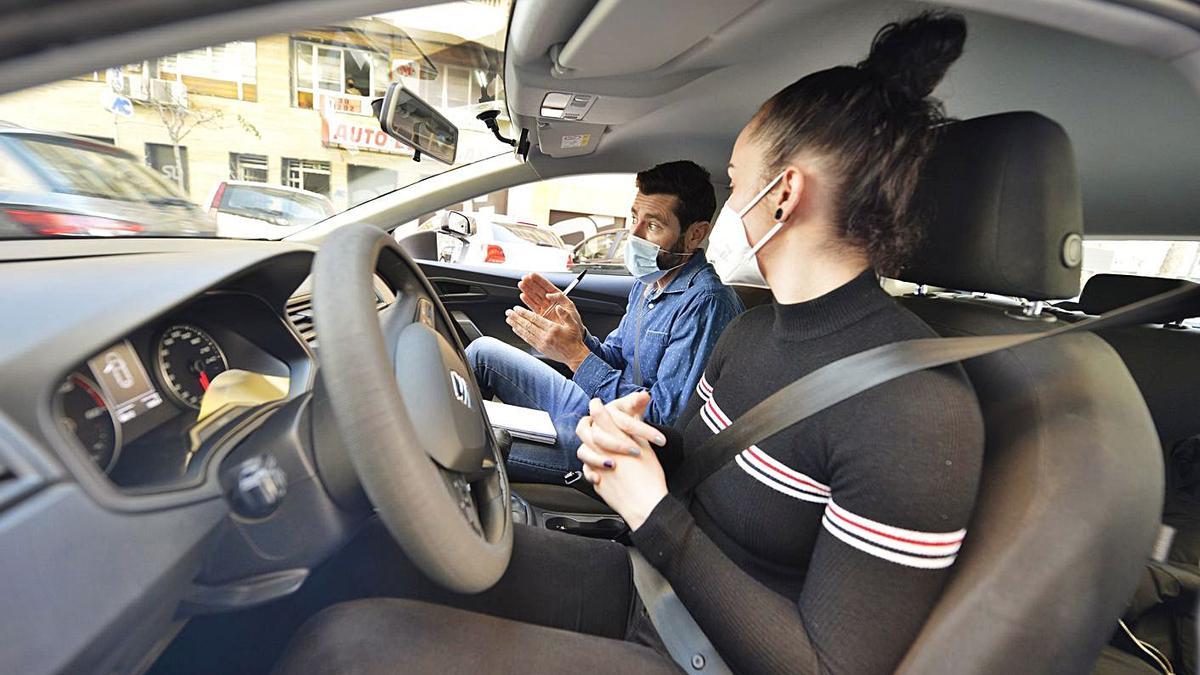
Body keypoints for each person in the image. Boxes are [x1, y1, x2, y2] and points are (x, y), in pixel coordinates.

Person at [278, 12, 984, 675]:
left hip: (700, 654)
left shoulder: (915, 408)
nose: (729, 208)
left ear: (784, 193)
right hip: (652, 583)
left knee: (345, 650)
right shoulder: (754, 328)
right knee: (379, 553)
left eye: (735, 185)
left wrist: (651, 511)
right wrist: (640, 444)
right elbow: (702, 462)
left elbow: (827, 665)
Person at [466, 160, 744, 482]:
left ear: (695, 234)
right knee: (483, 353)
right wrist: (576, 334)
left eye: (652, 226)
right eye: (634, 218)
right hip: (594, 405)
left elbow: (662, 424)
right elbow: (615, 356)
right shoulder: (648, 283)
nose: (634, 235)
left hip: (624, 443)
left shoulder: (705, 304)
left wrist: (575, 356)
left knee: (477, 449)